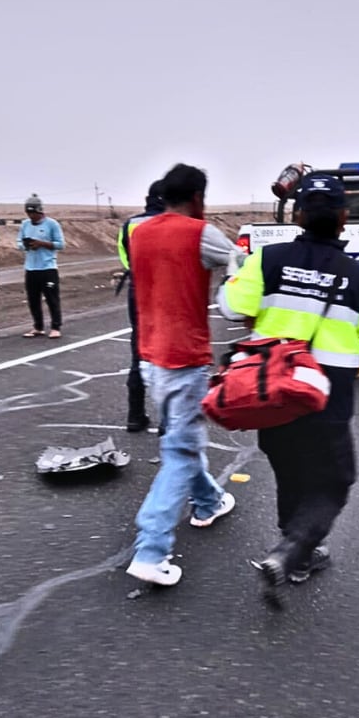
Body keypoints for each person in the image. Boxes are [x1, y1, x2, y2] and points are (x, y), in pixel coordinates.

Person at [218, 172, 359, 595]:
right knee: (335, 481)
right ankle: (293, 550)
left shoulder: (267, 260)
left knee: (290, 473)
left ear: (297, 215)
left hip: (273, 395)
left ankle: (296, 551)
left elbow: (229, 307)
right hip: (325, 400)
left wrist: (234, 274)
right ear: (343, 218)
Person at [125, 163, 242, 587]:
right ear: (197, 197)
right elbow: (241, 267)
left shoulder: (139, 233)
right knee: (180, 451)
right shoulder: (200, 233)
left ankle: (209, 502)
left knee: (181, 438)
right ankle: (151, 549)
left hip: (149, 356)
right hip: (184, 359)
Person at [116, 179, 165, 432]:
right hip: (167, 289)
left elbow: (125, 257)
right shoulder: (172, 222)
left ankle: (135, 415)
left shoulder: (130, 224)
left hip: (138, 288)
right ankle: (168, 418)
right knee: (168, 352)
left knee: (139, 348)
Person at [17, 194, 65, 339]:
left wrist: (42, 244)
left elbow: (60, 244)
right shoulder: (25, 224)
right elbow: (19, 243)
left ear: (40, 211)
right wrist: (27, 245)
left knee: (51, 298)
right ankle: (38, 326)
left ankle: (56, 326)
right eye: (28, 213)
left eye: (33, 213)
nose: (31, 216)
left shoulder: (52, 224)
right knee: (33, 299)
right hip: (31, 268)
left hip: (47, 268)